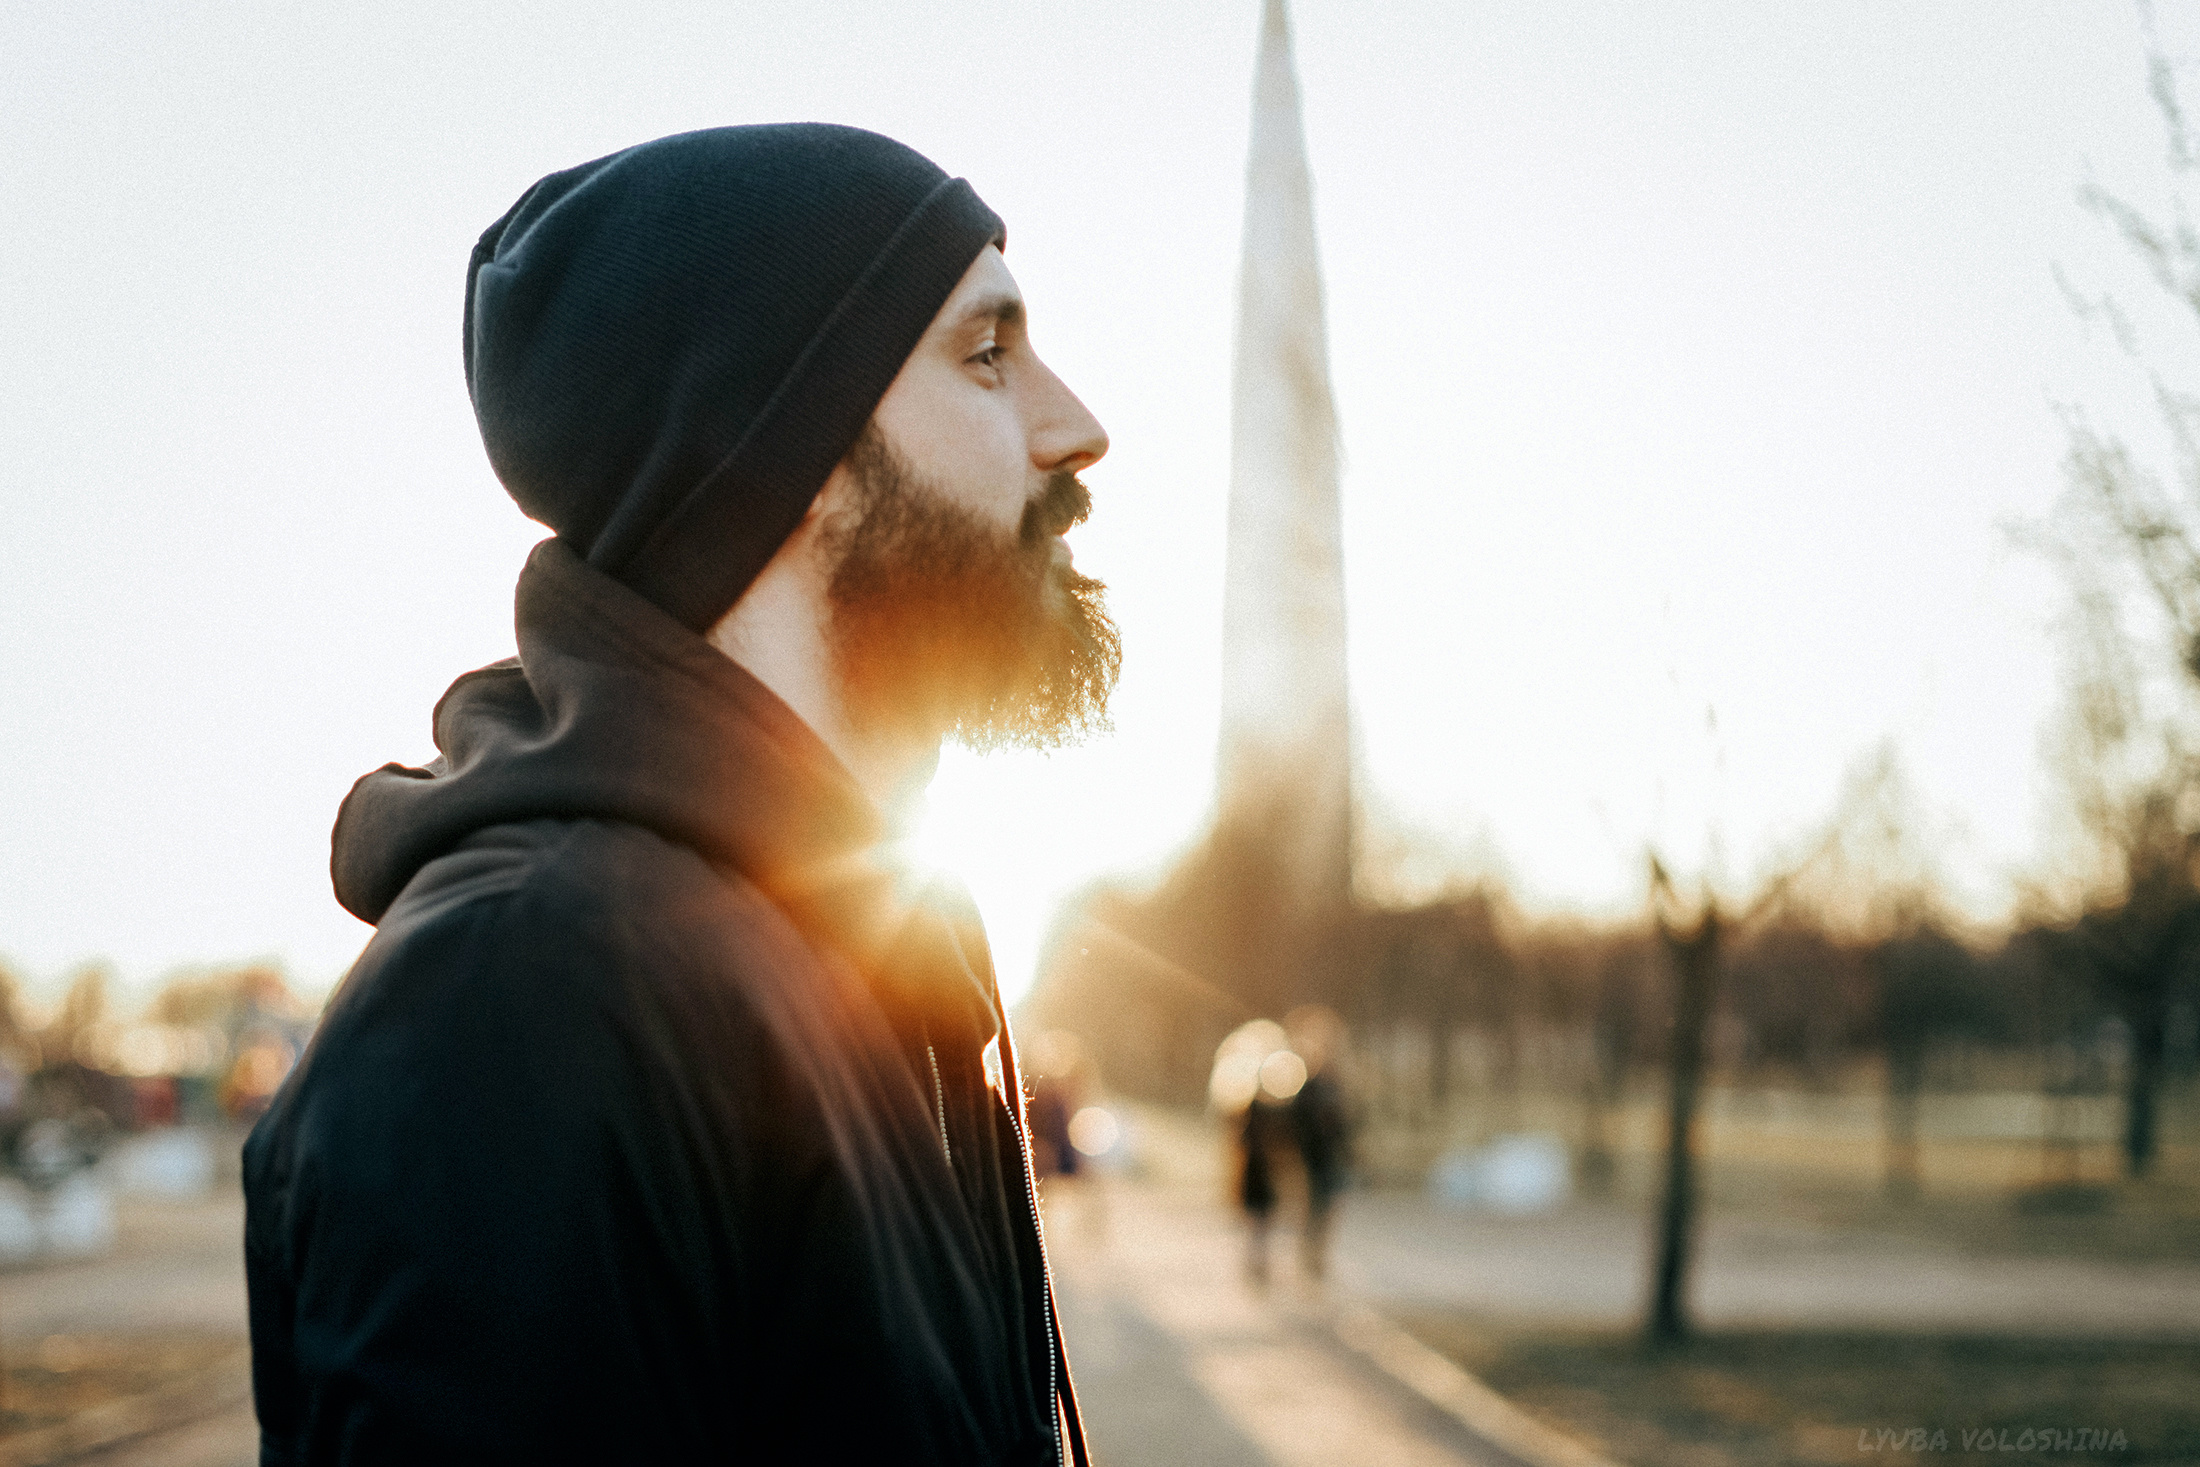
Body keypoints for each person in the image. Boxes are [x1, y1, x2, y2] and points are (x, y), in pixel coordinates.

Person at [243, 125, 1118, 1464]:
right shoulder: (531, 997)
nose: (1076, 426)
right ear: (796, 443)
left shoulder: (859, 965)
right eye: (986, 354)